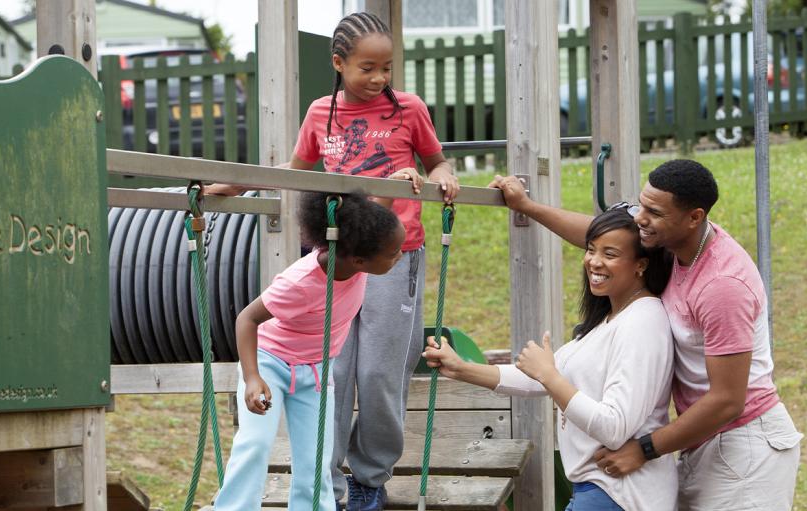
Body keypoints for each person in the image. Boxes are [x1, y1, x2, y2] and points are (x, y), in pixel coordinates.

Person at [489, 159, 802, 510]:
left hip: (745, 445)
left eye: (653, 212)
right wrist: (527, 206)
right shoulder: (675, 242)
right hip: (702, 439)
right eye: (642, 204)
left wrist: (645, 448)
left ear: (694, 217)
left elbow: (728, 400)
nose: (640, 218)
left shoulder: (721, 285)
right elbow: (603, 237)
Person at [287, 12, 458, 511]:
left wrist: (441, 176)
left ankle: (370, 476)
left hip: (394, 255)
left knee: (381, 373)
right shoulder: (322, 112)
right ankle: (329, 483)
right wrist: (234, 184)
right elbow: (295, 172)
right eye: (368, 68)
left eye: (387, 67)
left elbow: (437, 161)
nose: (380, 78)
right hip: (337, 260)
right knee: (333, 371)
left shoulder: (408, 109)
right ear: (339, 63)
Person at [423, 207, 678, 510]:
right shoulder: (609, 319)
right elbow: (537, 379)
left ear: (640, 265)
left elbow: (614, 427)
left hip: (622, 495)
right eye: (591, 249)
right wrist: (462, 368)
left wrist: (550, 377)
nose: (594, 261)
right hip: (598, 490)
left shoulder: (643, 322)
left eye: (610, 254)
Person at [212, 192, 405, 511]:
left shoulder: (358, 242)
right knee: (255, 445)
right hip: (270, 364)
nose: (399, 257)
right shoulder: (299, 282)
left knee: (316, 459)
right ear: (360, 260)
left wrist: (395, 184)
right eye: (394, 254)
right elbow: (247, 318)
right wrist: (251, 378)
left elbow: (374, 214)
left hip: (315, 371)